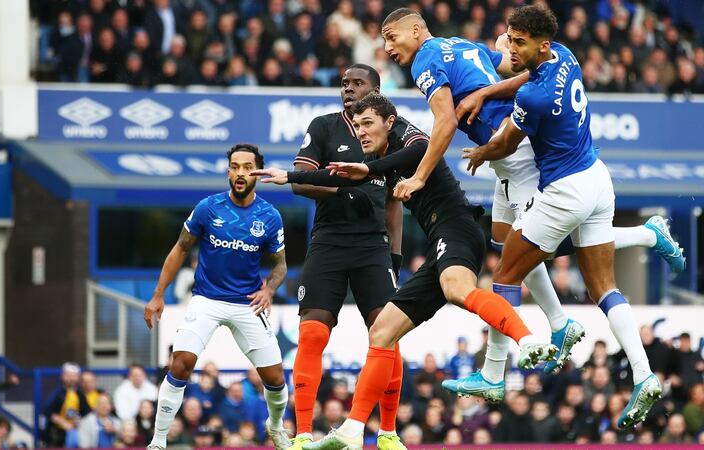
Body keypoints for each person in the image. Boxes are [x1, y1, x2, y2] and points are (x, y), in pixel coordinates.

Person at [380, 6, 683, 403]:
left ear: (417, 30)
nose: (388, 47)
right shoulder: (463, 45)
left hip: (516, 157)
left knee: (514, 262)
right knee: (504, 238)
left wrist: (421, 175)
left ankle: (497, 370)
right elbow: (512, 66)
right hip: (553, 165)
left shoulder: (427, 59)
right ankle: (561, 321)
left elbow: (447, 122)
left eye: (392, 37)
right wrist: (488, 85)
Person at [253, 93, 555, 448]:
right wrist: (287, 175)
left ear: (389, 122)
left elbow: (422, 148)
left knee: (457, 289)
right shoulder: (376, 159)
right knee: (383, 331)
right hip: (437, 241)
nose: (361, 132)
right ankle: (352, 430)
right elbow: (345, 178)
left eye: (368, 124)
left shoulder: (406, 136)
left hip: (457, 228)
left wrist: (370, 170)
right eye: (357, 125)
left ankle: (527, 339)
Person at [461, 5, 661, 428]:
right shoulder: (565, 56)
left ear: (542, 45)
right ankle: (644, 374)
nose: (511, 49)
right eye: (510, 40)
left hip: (563, 192)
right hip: (597, 177)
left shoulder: (534, 98)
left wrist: (480, 152)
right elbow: (524, 77)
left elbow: (505, 144)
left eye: (519, 43)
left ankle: (493, 374)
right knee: (604, 289)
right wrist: (490, 90)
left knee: (506, 273)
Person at [286, 63, 411, 450]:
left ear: (376, 92)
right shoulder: (324, 126)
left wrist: (395, 257)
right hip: (329, 242)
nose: (348, 89)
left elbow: (393, 203)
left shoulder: (391, 134)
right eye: (344, 83)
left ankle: (387, 433)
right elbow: (300, 180)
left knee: (388, 334)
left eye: (358, 83)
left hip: (373, 246)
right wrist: (344, 191)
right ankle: (302, 433)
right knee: (312, 333)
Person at [143, 143, 291, 450]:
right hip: (206, 300)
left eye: (247, 167)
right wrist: (158, 294)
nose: (240, 173)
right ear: (228, 172)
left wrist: (269, 290)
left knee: (276, 379)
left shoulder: (270, 216)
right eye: (235, 167)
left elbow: (280, 264)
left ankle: (275, 427)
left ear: (258, 172)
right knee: (180, 364)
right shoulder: (208, 208)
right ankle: (158, 441)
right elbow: (180, 248)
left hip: (247, 303)